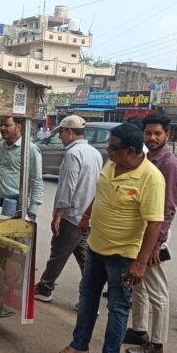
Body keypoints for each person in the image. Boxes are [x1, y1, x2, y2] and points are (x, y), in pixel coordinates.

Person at [46, 124, 164, 353]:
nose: (107, 151)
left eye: (113, 148)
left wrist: (140, 262)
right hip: (96, 246)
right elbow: (100, 191)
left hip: (123, 255)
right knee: (87, 298)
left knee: (117, 308)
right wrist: (86, 215)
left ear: (131, 151)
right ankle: (78, 347)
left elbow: (155, 224)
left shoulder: (151, 178)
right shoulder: (112, 163)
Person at [124, 114, 177, 353]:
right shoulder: (147, 159)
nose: (152, 138)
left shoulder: (169, 165)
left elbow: (168, 208)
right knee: (138, 284)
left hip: (155, 235)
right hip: (141, 232)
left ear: (167, 134)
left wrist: (157, 244)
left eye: (157, 133)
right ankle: (139, 330)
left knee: (157, 291)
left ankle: (157, 343)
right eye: (148, 133)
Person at [34, 115, 102, 302]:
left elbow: (67, 187)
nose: (60, 136)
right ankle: (90, 296)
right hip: (87, 214)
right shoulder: (94, 153)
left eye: (61, 132)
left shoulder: (73, 154)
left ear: (70, 132)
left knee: (58, 253)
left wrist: (58, 215)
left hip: (72, 214)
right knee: (85, 258)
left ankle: (45, 288)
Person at [0, 116, 44, 220]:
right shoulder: (0, 146)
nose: (2, 128)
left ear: (18, 127)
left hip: (15, 203)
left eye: (7, 125)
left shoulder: (30, 149)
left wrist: (32, 212)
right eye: (1, 125)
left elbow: (36, 181)